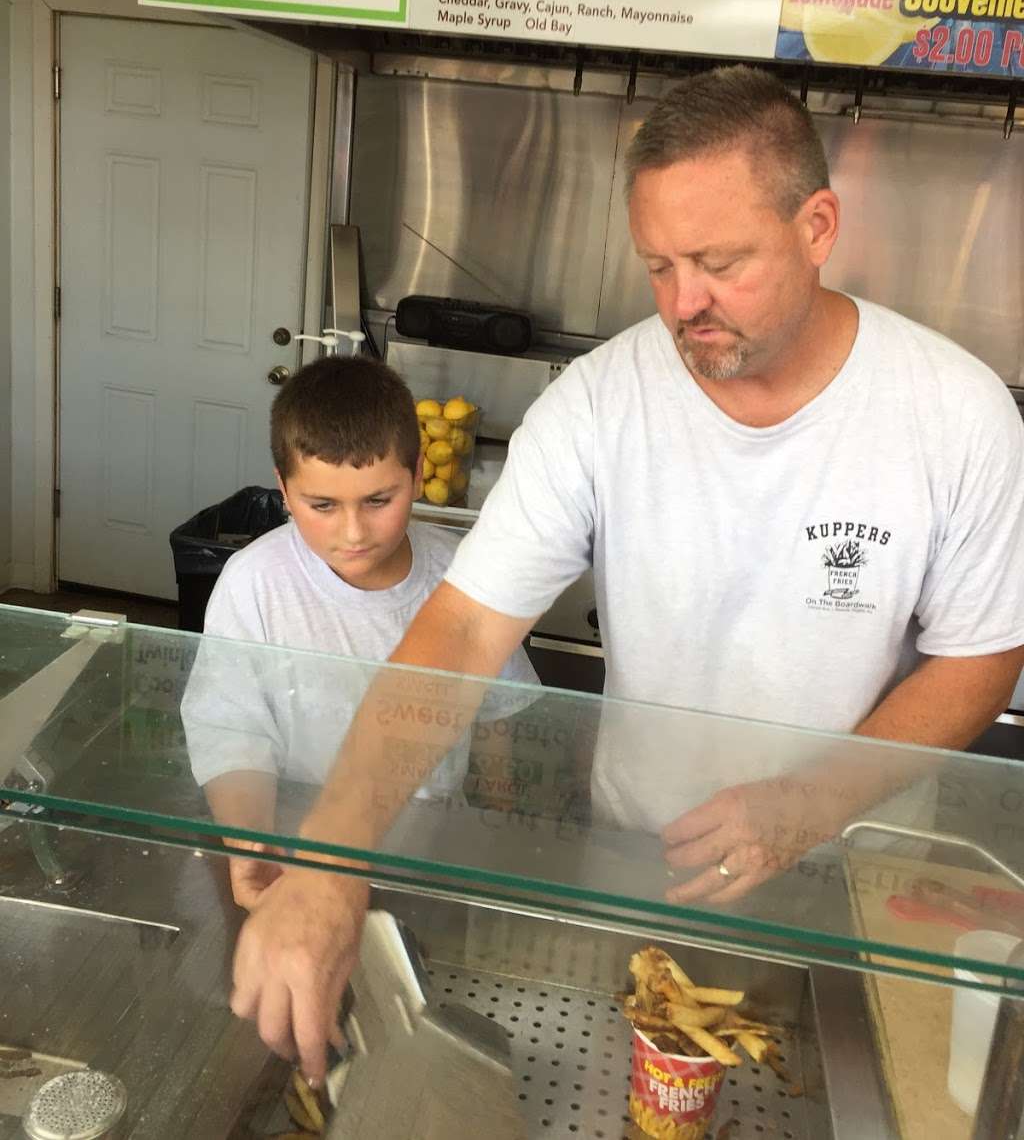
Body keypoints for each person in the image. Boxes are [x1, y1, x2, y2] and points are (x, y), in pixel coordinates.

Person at [230, 65, 1024, 1081]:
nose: (683, 304)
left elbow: (979, 661)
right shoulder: (599, 405)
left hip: (855, 877)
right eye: (657, 267)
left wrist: (808, 803)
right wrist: (332, 861)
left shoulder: (952, 416)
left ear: (817, 227)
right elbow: (465, 630)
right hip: (641, 858)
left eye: (719, 261)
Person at [180, 354, 538, 908]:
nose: (353, 532)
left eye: (378, 500)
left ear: (418, 474)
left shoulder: (463, 579)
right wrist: (251, 843)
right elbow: (231, 731)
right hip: (297, 855)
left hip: (433, 854)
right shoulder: (254, 582)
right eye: (321, 504)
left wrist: (500, 828)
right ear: (283, 486)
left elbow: (495, 718)